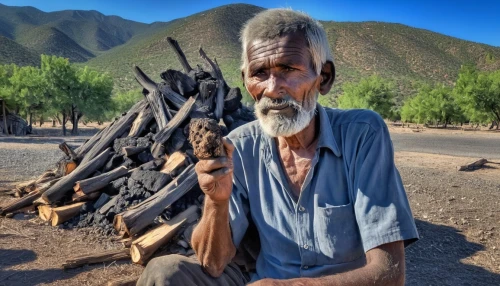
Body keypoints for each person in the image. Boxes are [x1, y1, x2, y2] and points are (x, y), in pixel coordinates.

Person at [137, 8, 419, 286]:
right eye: (259, 73)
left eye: (289, 69)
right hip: (264, 281)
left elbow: (390, 273)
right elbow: (212, 264)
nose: (272, 88)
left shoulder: (362, 133)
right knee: (165, 272)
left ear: (324, 77)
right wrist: (216, 201)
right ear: (247, 83)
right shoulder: (241, 146)